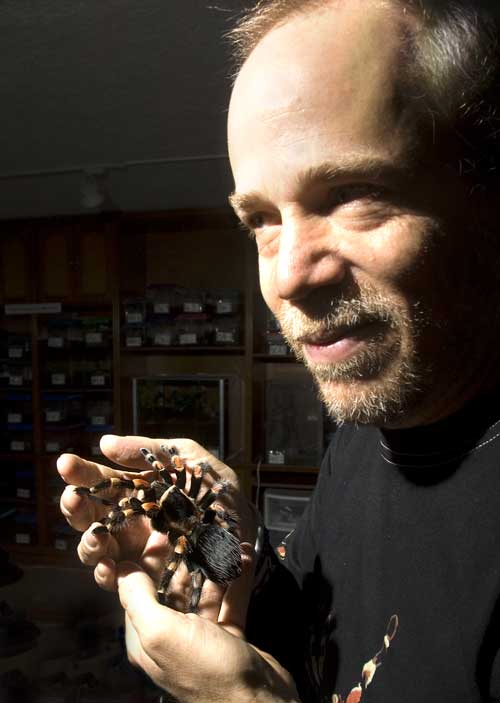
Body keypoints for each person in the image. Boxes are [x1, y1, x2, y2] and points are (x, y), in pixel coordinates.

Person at [58, 1, 500, 701]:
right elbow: (313, 620)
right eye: (261, 220)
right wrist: (225, 553)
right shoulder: (366, 428)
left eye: (353, 193)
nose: (287, 274)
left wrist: (246, 700)